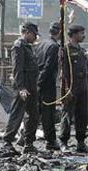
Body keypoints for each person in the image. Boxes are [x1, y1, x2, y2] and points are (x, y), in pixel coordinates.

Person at [3, 22, 40, 154]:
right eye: (34, 34)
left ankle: (28, 143)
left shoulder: (28, 46)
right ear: (28, 33)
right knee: (17, 114)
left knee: (34, 115)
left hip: (31, 85)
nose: (36, 38)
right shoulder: (18, 46)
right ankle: (7, 142)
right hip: (23, 86)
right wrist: (21, 88)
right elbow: (17, 69)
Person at [59, 25, 88, 153]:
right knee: (67, 115)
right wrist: (66, 89)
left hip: (83, 87)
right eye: (81, 33)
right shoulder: (65, 50)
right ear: (74, 34)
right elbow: (63, 72)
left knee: (82, 115)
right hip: (71, 87)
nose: (84, 35)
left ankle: (81, 142)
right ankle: (63, 142)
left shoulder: (81, 50)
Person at [34, 22, 61, 150]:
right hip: (47, 84)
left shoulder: (41, 44)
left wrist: (37, 83)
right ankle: (51, 141)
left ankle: (25, 138)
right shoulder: (54, 46)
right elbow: (49, 68)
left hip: (37, 82)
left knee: (34, 112)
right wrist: (41, 83)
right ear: (59, 32)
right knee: (48, 113)